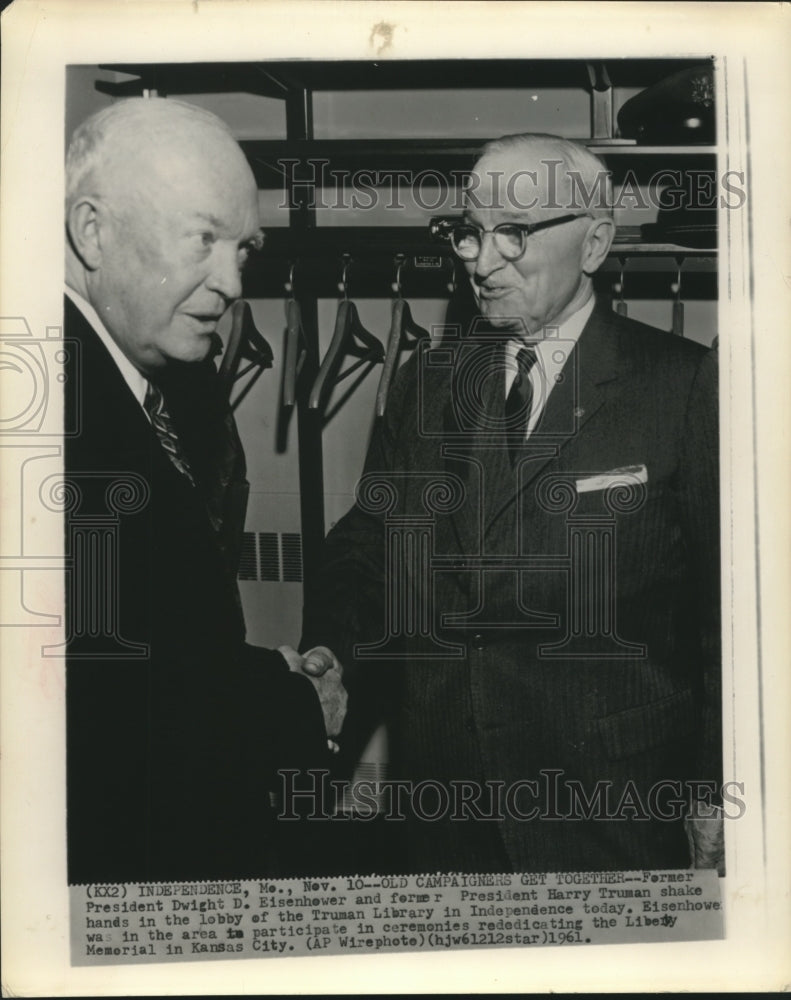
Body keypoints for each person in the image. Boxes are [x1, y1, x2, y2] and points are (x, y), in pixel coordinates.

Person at [300, 133, 722, 874]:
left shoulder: (685, 387)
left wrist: (713, 790)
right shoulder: (425, 381)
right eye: (467, 232)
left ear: (593, 243)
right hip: (439, 805)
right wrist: (332, 655)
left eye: (513, 234)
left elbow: (735, 615)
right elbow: (371, 543)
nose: (479, 261)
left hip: (607, 806)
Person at [63, 97, 345, 884]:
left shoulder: (164, 385)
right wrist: (289, 703)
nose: (230, 283)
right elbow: (102, 697)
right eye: (203, 241)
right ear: (92, 231)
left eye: (243, 248)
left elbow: (149, 629)